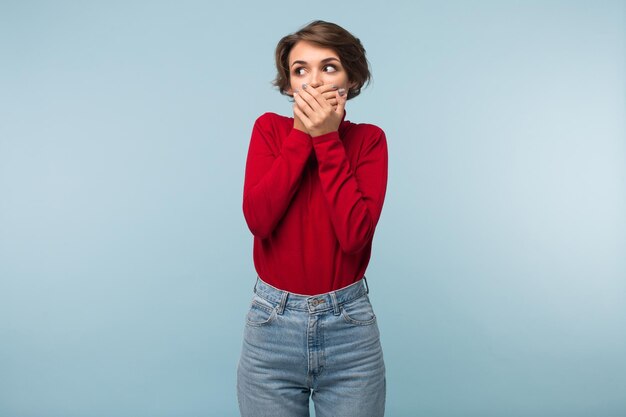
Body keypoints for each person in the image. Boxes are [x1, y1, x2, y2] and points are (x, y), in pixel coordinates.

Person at [236, 20, 388, 417]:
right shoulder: (269, 131)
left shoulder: (369, 140)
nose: (314, 81)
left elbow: (355, 236)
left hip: (349, 330)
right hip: (272, 327)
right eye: (300, 70)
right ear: (288, 86)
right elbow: (259, 219)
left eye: (329, 66)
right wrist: (302, 135)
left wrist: (326, 139)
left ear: (350, 78)